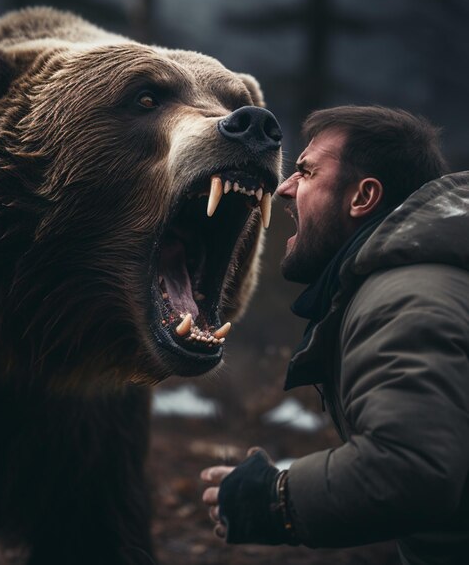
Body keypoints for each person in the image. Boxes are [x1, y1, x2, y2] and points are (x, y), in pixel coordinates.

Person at [200, 105, 469, 564]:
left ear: (362, 197)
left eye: (305, 172)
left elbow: (412, 469)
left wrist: (277, 498)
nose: (283, 188)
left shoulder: (404, 298)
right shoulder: (415, 284)